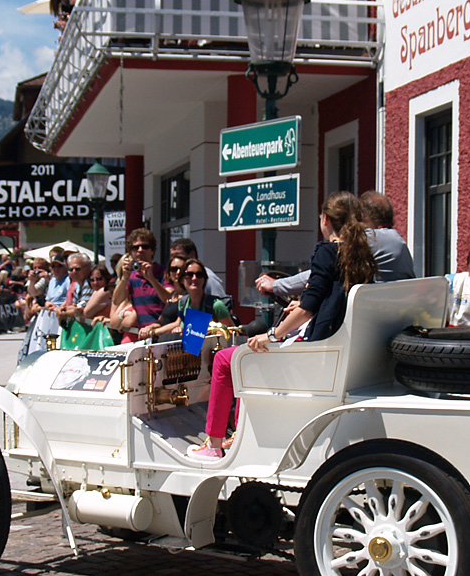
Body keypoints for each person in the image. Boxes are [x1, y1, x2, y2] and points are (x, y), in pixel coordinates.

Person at [188, 191, 377, 460]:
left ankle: (214, 445)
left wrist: (272, 334)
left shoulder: (327, 251)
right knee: (246, 361)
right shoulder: (361, 255)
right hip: (337, 346)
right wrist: (302, 307)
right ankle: (239, 435)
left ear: (325, 219)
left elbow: (309, 306)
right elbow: (334, 301)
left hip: (314, 351)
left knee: (227, 360)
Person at [257, 190, 414, 299]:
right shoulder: (397, 241)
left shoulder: (367, 240)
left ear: (362, 216)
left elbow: (319, 274)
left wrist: (277, 285)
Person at [139, 259, 232, 341]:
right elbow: (180, 326)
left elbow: (232, 333)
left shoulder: (215, 305)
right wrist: (178, 330)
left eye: (199, 275)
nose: (194, 278)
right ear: (182, 279)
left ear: (204, 279)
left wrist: (211, 333)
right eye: (189, 275)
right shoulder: (183, 303)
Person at [112, 229, 170, 331]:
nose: (140, 250)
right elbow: (116, 300)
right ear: (130, 252)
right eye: (135, 247)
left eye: (145, 247)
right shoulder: (131, 276)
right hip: (143, 333)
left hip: (163, 331)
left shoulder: (164, 272)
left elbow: (169, 300)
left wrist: (152, 279)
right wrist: (124, 278)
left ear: (152, 251)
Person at [57, 252, 94, 326]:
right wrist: (64, 309)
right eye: (71, 270)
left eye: (78, 269)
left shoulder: (91, 283)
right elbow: (73, 306)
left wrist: (63, 312)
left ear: (88, 268)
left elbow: (79, 309)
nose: (74, 272)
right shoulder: (77, 285)